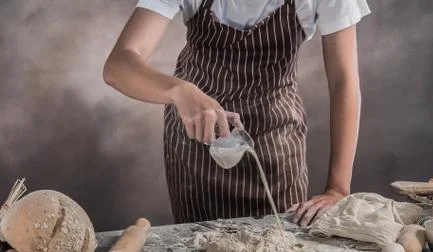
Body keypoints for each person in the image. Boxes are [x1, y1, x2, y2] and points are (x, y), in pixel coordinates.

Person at [103, 0, 370, 226]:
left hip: (275, 146)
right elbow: (118, 65)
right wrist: (179, 91)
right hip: (195, 145)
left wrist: (338, 188)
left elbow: (343, 82)